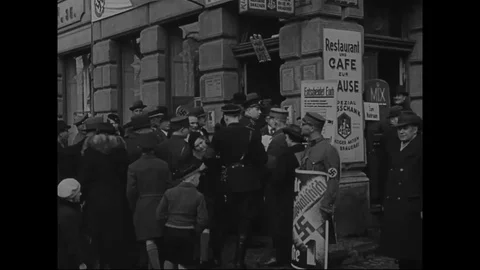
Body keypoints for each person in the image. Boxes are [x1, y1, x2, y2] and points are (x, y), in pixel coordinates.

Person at [209, 104, 268, 268]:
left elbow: (209, 157)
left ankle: (217, 259)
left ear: (226, 117)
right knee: (245, 221)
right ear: (239, 116)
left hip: (226, 181)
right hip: (248, 181)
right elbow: (262, 159)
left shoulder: (220, 134)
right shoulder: (252, 133)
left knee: (221, 220)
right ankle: (239, 260)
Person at [78, 122, 135, 268]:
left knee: (97, 236)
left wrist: (82, 197)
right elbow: (125, 176)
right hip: (118, 199)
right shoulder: (121, 151)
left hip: (95, 200)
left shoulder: (90, 152)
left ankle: (101, 262)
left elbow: (85, 177)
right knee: (117, 236)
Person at [379, 112, 422, 269]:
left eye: (406, 128)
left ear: (415, 129)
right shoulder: (395, 146)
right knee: (401, 250)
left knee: (414, 249)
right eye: (399, 129)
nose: (401, 132)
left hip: (413, 204)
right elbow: (388, 176)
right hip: (395, 203)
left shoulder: (419, 146)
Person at [127, 134, 172, 269]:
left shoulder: (133, 167)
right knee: (162, 239)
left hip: (143, 204)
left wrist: (133, 206)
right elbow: (169, 185)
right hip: (162, 202)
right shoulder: (163, 164)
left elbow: (130, 191)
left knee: (148, 239)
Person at [156, 164, 209, 270]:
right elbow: (203, 219)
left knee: (169, 259)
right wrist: (195, 230)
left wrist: (165, 226)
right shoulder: (199, 196)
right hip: (188, 233)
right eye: (198, 178)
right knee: (184, 261)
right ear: (193, 178)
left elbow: (159, 214)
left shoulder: (169, 192)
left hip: (170, 231)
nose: (199, 181)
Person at [299, 112, 340, 244]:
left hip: (319, 204)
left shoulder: (328, 150)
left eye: (304, 124)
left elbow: (333, 179)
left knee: (321, 243)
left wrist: (326, 204)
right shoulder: (309, 148)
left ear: (312, 128)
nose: (301, 126)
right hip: (305, 203)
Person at [268, 124, 306, 267]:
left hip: (285, 197)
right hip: (303, 196)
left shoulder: (285, 155)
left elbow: (278, 179)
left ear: (288, 138)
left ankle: (284, 257)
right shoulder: (306, 152)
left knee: (283, 228)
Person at [260, 108, 290, 267]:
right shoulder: (289, 135)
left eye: (270, 119)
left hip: (275, 187)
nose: (268, 121)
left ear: (276, 121)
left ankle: (279, 255)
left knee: (276, 222)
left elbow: (269, 166)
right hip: (287, 186)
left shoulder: (277, 140)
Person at [57, 178, 89, 269]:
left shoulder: (64, 209)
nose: (80, 194)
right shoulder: (68, 215)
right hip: (69, 261)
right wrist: (80, 262)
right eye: (78, 192)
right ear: (72, 196)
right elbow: (72, 240)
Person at [157, 116, 194, 188]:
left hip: (165, 184)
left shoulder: (161, 146)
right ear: (182, 129)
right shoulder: (186, 146)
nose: (189, 131)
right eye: (188, 128)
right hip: (181, 184)